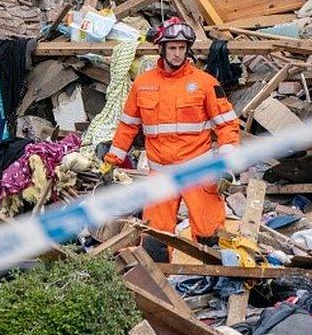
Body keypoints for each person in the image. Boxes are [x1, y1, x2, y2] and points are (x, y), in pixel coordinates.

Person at [100, 17, 240, 246]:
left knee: (210, 235)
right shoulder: (143, 84)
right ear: (161, 49)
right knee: (156, 238)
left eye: (182, 48)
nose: (177, 54)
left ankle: (215, 280)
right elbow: (128, 125)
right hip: (160, 176)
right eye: (172, 48)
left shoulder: (205, 83)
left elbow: (227, 125)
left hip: (198, 173)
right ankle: (160, 281)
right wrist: (112, 159)